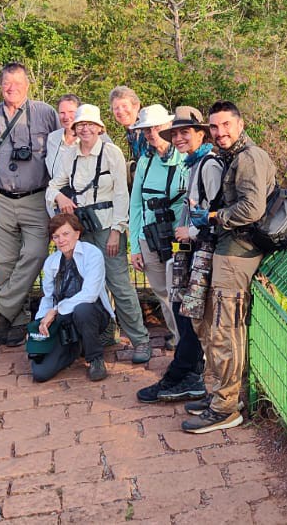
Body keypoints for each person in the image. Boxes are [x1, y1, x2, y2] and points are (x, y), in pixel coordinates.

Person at [183, 101, 275, 434]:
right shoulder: (233, 156)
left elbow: (251, 207)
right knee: (212, 324)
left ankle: (226, 407)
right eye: (215, 127)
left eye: (226, 125)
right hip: (227, 248)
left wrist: (213, 217)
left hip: (239, 252)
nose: (220, 133)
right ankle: (221, 396)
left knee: (226, 328)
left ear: (240, 123)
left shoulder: (250, 157)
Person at [45, 104, 151, 362]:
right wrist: (59, 196)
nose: (85, 129)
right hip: (82, 227)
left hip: (106, 226)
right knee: (90, 282)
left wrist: (117, 231)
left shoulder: (111, 153)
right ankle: (106, 332)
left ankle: (140, 339)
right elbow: (52, 186)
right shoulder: (69, 155)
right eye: (80, 125)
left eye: (90, 124)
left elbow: (120, 194)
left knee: (119, 283)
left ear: (99, 128)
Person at [0, 63, 58, 347]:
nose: (12, 88)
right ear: (0, 85)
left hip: (36, 197)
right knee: (3, 263)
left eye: (18, 83)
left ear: (27, 85)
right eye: (7, 83)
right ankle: (16, 321)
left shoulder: (45, 113)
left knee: (36, 253)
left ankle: (1, 309)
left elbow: (63, 147)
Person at [136, 107, 215, 404]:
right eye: (176, 133)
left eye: (186, 132)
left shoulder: (208, 164)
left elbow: (216, 213)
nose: (180, 138)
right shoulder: (195, 163)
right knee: (184, 310)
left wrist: (191, 233)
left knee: (191, 314)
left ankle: (184, 376)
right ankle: (189, 377)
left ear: (201, 133)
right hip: (186, 250)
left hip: (200, 250)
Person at [29, 213, 115, 383]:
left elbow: (90, 295)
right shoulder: (51, 262)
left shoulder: (92, 254)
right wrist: (40, 322)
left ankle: (95, 359)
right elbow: (48, 297)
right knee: (40, 373)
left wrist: (55, 310)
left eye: (65, 234)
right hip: (63, 321)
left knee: (82, 309)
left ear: (77, 233)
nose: (61, 240)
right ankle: (75, 347)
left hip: (93, 315)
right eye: (56, 236)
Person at [128, 104, 186, 351]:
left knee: (180, 290)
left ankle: (190, 341)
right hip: (150, 236)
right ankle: (178, 336)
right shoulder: (144, 162)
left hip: (178, 234)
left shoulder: (184, 159)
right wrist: (135, 245)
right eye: (147, 130)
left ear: (168, 127)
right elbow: (136, 206)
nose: (152, 133)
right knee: (162, 291)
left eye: (157, 127)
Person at [108, 85, 147, 171]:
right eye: (116, 108)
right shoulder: (131, 131)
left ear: (136, 106)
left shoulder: (147, 129)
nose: (120, 111)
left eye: (124, 106)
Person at [44, 94, 81, 176]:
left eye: (71, 112)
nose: (66, 117)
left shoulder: (90, 138)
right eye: (62, 113)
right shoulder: (52, 138)